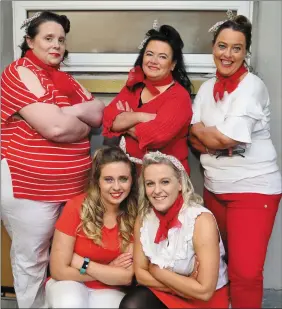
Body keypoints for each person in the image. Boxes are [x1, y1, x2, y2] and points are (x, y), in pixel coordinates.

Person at [1, 11, 104, 308]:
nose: (56, 45)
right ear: (29, 41)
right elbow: (56, 128)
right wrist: (71, 117)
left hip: (72, 189)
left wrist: (65, 114)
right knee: (32, 260)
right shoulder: (18, 72)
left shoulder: (65, 79)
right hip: (29, 188)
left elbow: (97, 114)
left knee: (66, 257)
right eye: (48, 38)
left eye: (61, 39)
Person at [189, 11, 282, 308]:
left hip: (252, 190)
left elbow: (228, 139)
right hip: (215, 189)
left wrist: (210, 135)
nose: (227, 54)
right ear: (213, 48)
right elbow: (193, 136)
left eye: (236, 48)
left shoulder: (251, 86)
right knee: (214, 268)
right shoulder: (205, 89)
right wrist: (210, 137)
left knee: (245, 274)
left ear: (245, 53)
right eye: (222, 46)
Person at [119, 152, 229, 309]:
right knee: (132, 304)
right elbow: (141, 275)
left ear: (180, 184)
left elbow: (204, 291)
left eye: (165, 182)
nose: (157, 191)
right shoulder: (143, 219)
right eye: (150, 183)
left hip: (203, 301)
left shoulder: (200, 220)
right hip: (169, 291)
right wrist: (186, 285)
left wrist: (157, 271)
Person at [45, 146, 138, 308]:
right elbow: (58, 270)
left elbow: (126, 277)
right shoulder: (76, 207)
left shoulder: (134, 215)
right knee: (71, 304)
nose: (116, 187)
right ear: (97, 181)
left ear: (131, 180)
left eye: (123, 179)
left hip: (110, 289)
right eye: (108, 179)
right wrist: (108, 271)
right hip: (68, 282)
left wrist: (83, 263)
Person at [102, 23, 193, 174]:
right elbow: (108, 118)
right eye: (149, 54)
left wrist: (125, 119)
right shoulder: (134, 85)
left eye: (162, 57)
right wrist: (140, 116)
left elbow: (155, 137)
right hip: (131, 176)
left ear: (173, 65)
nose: (153, 61)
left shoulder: (179, 96)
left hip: (166, 179)